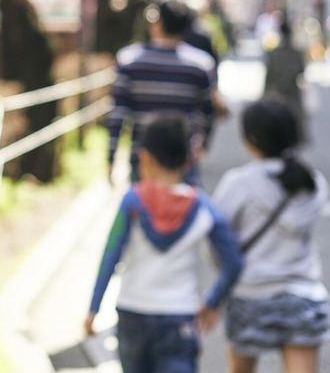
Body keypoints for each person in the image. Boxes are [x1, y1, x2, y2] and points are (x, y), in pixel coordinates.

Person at [84, 111, 245, 373]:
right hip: (180, 314)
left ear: (145, 158)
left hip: (132, 311)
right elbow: (233, 263)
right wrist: (212, 301)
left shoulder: (132, 201)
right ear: (189, 160)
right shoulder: (204, 208)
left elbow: (110, 254)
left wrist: (94, 308)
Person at [212, 97, 330, 373]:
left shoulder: (238, 183)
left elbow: (219, 242)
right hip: (304, 296)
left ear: (251, 139)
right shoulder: (311, 182)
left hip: (250, 295)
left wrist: (226, 276)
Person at [106, 0, 218, 186]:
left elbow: (118, 114)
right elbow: (208, 112)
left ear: (156, 22)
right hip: (183, 159)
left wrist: (111, 158)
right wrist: (204, 144)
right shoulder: (200, 65)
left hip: (142, 159)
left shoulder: (129, 61)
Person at [261, 19, 307, 134]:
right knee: (294, 124)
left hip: (276, 93)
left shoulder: (273, 53)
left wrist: (264, 95)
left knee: (278, 125)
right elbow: (301, 71)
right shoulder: (296, 53)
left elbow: (268, 75)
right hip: (292, 93)